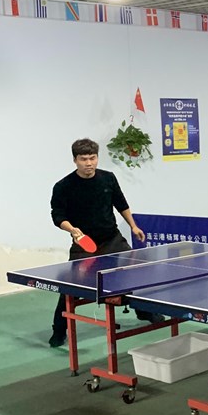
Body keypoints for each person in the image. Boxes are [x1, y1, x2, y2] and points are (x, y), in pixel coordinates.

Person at [48, 138, 147, 347]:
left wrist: (133, 226)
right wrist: (72, 229)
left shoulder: (108, 178)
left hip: (112, 239)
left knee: (134, 272)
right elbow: (57, 216)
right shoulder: (63, 186)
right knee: (70, 287)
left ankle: (144, 311)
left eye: (92, 158)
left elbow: (121, 203)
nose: (89, 163)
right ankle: (59, 330)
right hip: (84, 243)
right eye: (84, 159)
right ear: (75, 160)